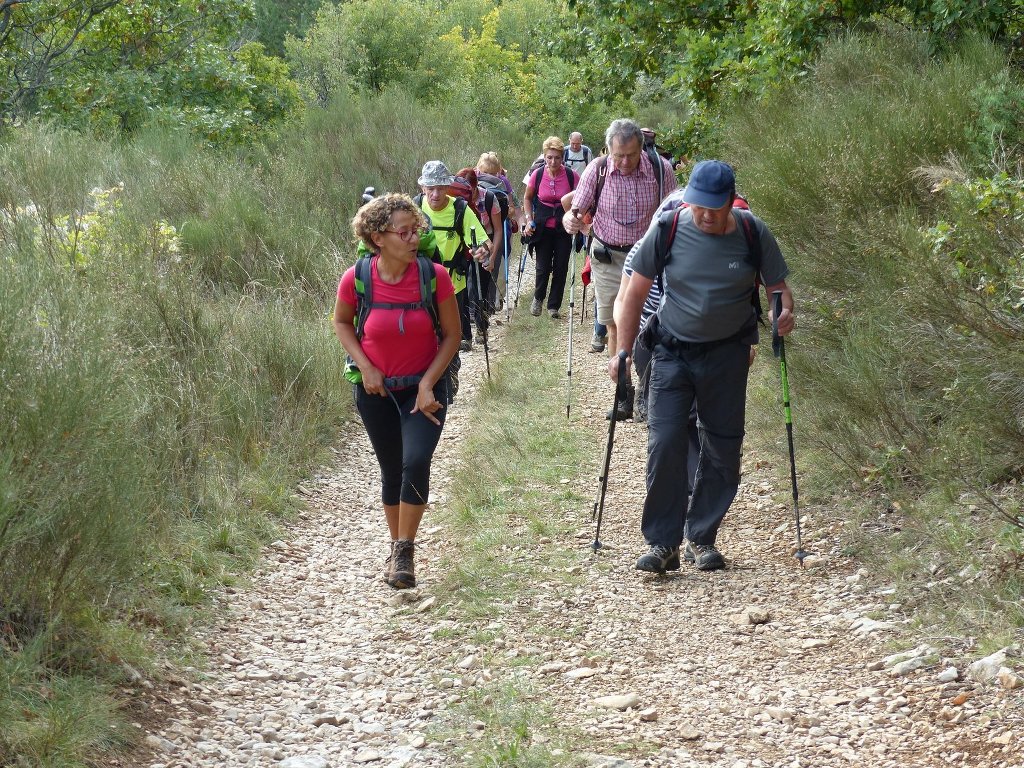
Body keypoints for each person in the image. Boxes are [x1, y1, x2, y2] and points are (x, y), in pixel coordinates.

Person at [610, 159, 795, 574]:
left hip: (728, 354)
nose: (705, 214)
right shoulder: (669, 228)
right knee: (665, 441)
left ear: (731, 202)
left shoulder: (752, 231)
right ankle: (662, 543)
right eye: (698, 205)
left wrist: (781, 312)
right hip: (673, 352)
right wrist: (622, 353)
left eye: (714, 207)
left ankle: (702, 536)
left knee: (722, 447)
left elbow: (778, 288)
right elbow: (633, 293)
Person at [333, 194, 462, 589]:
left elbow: (453, 335)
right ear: (377, 237)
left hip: (424, 391)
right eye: (403, 232)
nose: (412, 239)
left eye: (415, 230)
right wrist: (366, 367)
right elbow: (341, 323)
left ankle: (405, 549)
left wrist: (427, 383)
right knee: (391, 469)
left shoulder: (433, 276)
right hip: (374, 392)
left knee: (416, 460)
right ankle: (396, 546)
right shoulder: (357, 277)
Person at [563, 119, 677, 418]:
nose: (625, 162)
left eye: (631, 155)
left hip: (649, 261)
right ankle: (623, 392)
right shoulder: (597, 169)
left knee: (652, 325)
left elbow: (675, 213)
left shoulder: (659, 169)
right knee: (614, 323)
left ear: (641, 148)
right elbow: (576, 209)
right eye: (619, 156)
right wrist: (571, 221)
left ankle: (646, 392)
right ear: (609, 150)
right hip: (608, 257)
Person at [415, 161, 490, 352]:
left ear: (448, 187)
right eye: (430, 188)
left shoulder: (460, 209)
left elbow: (483, 241)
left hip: (452, 284)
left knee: (451, 342)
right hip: (418, 284)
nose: (435, 194)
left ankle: (451, 378)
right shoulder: (414, 208)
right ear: (423, 187)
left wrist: (481, 250)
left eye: (440, 188)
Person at [522, 136, 578, 319]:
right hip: (542, 227)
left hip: (564, 228)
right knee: (542, 266)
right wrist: (529, 219)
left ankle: (553, 306)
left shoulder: (571, 176)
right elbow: (528, 198)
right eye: (549, 157)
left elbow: (582, 197)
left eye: (557, 158)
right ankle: (538, 298)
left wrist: (579, 219)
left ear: (563, 158)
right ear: (544, 157)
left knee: (561, 267)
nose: (553, 161)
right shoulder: (538, 175)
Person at [455, 168, 502, 342]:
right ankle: (464, 331)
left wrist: (492, 258)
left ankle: (482, 327)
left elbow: (497, 231)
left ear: (475, 187)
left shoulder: (488, 198)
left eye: (470, 190)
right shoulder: (455, 201)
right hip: (460, 246)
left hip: (484, 244)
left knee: (478, 288)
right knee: (463, 288)